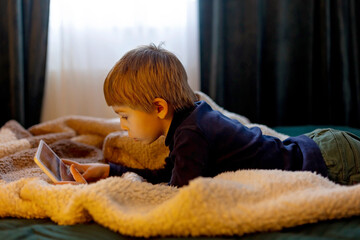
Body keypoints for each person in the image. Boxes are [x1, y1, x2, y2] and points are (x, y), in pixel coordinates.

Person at [63, 44, 360, 187]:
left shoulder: (191, 133)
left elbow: (176, 192)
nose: (121, 124)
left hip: (328, 160)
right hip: (319, 145)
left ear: (159, 108)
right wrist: (110, 171)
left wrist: (112, 189)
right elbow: (171, 173)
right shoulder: (188, 122)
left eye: (124, 115)